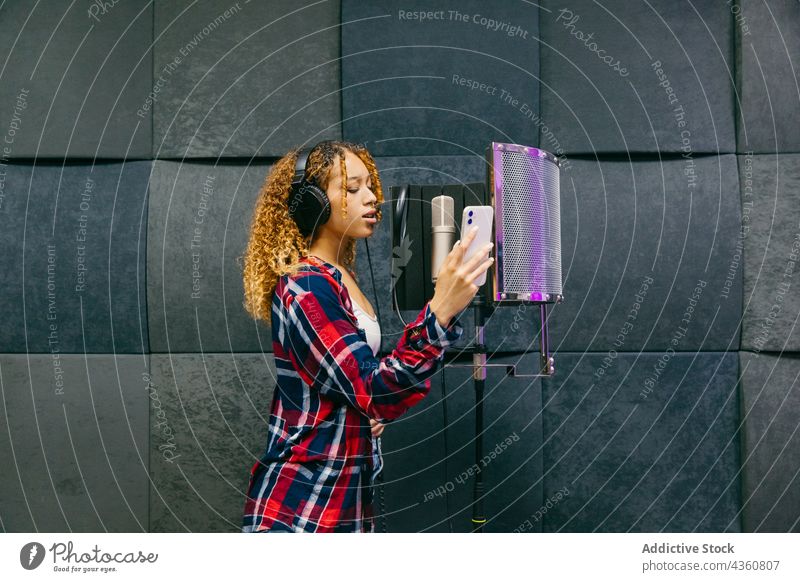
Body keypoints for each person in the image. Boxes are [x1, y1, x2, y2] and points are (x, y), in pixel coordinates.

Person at [239, 139, 494, 532]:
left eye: (370, 186)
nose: (372, 196)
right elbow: (372, 386)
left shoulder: (341, 280)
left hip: (346, 501)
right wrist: (441, 310)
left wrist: (365, 414)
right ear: (312, 203)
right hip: (303, 507)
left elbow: (358, 384)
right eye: (352, 188)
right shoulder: (306, 288)